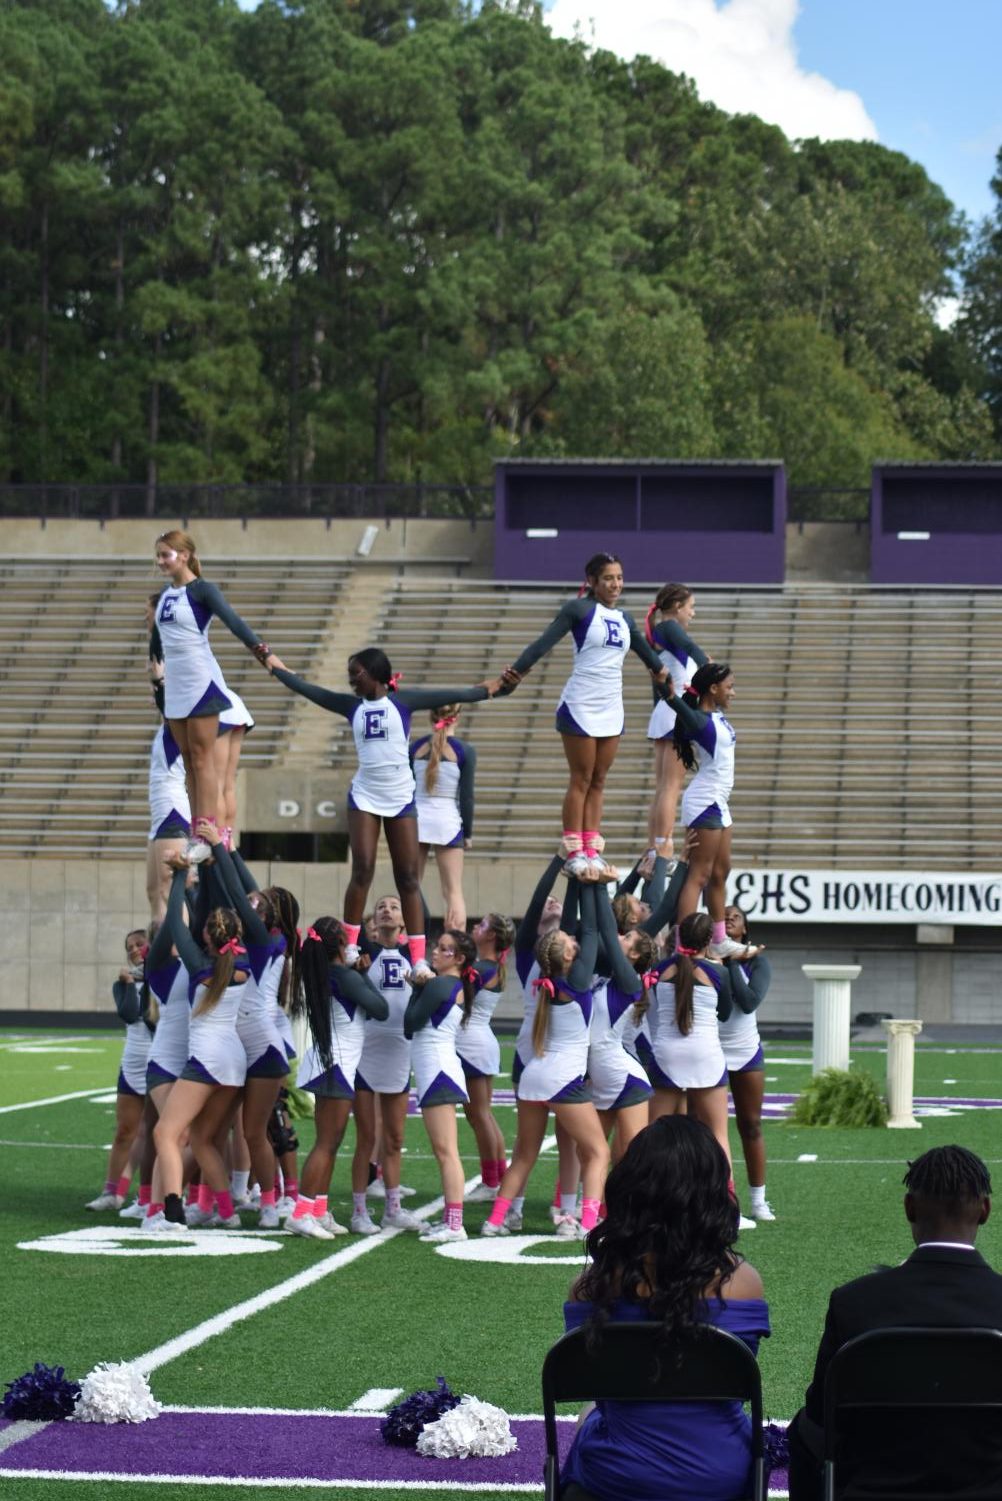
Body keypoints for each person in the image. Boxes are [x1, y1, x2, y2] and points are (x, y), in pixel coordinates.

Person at [260, 646, 505, 978]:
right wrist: (276, 668)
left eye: (356, 674)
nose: (351, 680)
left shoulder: (402, 702)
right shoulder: (352, 706)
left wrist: (490, 689)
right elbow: (309, 690)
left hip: (401, 798)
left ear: (376, 674)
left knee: (407, 877)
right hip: (364, 796)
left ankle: (418, 959)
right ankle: (349, 945)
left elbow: (456, 693)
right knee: (362, 868)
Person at [561, 1115, 769, 1501]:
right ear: (712, 1193)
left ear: (629, 1189)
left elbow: (591, 1382)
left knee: (590, 1410)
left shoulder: (589, 1287)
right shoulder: (743, 1283)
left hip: (615, 1478)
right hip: (721, 1474)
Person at [787, 1145, 1002, 1501]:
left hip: (872, 1490)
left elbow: (820, 1416)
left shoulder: (854, 1302)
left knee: (802, 1430)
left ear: (909, 1208)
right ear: (985, 1210)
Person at [503, 553, 668, 877]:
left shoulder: (625, 618)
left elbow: (651, 658)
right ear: (591, 582)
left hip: (611, 707)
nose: (616, 584)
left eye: (619, 577)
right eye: (608, 578)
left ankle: (592, 849)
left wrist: (679, 666)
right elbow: (543, 643)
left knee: (599, 780)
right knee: (581, 778)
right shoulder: (577, 609)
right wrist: (516, 673)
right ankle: (573, 849)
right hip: (580, 704)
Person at [482, 879, 610, 1241]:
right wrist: (591, 883)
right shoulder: (576, 982)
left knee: (524, 1155)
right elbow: (591, 927)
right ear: (569, 956)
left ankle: (495, 1220)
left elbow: (580, 929)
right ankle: (587, 1224)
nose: (575, 941)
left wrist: (576, 878)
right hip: (564, 1078)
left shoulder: (549, 983)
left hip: (534, 1076)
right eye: (570, 943)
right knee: (597, 1151)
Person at [153, 531, 271, 862]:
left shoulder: (202, 590)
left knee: (203, 760)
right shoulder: (165, 595)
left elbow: (234, 622)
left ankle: (209, 831)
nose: (161, 561)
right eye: (159, 555)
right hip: (176, 688)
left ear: (185, 555)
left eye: (167, 555)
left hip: (200, 683)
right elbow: (159, 642)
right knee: (188, 760)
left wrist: (264, 653)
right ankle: (196, 833)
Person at [152, 860, 249, 1228]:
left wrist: (180, 879)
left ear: (207, 937)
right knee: (206, 1140)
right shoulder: (246, 963)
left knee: (166, 1132)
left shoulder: (200, 966)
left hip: (206, 1060)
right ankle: (226, 1213)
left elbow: (177, 926)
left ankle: (172, 1212)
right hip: (235, 1063)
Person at [289, 917, 389, 1241]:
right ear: (341, 947)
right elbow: (381, 1008)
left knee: (329, 1143)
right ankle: (301, 1212)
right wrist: (361, 974)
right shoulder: (345, 977)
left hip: (332, 1061)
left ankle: (318, 1209)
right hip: (336, 1063)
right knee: (326, 1143)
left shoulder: (327, 973)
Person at [666, 661, 757, 960]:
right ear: (713, 689)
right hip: (705, 801)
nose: (734, 693)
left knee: (720, 871)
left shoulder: (715, 717)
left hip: (719, 801)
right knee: (699, 875)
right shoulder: (701, 721)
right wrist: (668, 695)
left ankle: (718, 940)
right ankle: (684, 943)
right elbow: (681, 709)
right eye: (729, 687)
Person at [350, 894, 424, 1233]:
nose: (387, 910)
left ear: (406, 920)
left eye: (395, 906)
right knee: (366, 1137)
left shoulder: (415, 956)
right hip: (367, 1048)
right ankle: (358, 1210)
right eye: (381, 906)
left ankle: (392, 1208)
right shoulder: (364, 952)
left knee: (393, 1138)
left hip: (399, 1048)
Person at [403, 928, 481, 1245]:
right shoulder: (448, 984)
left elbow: (410, 1025)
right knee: (444, 1151)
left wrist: (416, 988)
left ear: (459, 959)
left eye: (445, 950)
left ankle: (455, 1224)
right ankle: (451, 1219)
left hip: (437, 1070)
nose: (435, 952)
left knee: (446, 1152)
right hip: (437, 1069)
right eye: (437, 946)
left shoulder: (439, 985)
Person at [650, 912, 733, 1168]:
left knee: (653, 1135)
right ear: (709, 941)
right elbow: (726, 1013)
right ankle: (727, 1204)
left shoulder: (660, 969)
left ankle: (648, 1202)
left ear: (678, 935)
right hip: (705, 1054)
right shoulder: (719, 972)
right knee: (719, 1134)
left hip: (667, 1055)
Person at [642, 583, 709, 874]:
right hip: (676, 712)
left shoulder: (662, 632)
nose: (693, 613)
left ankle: (654, 846)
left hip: (667, 711)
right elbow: (694, 650)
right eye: (691, 607)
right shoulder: (669, 628)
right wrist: (713, 671)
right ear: (677, 607)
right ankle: (663, 845)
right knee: (670, 787)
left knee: (663, 788)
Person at [588, 884, 658, 1164]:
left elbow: (605, 929)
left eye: (627, 937)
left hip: (624, 1078)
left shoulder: (629, 981)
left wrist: (600, 883)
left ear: (634, 956)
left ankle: (637, 1208)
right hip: (602, 1073)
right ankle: (593, 1207)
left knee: (632, 1157)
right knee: (593, 1154)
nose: (620, 937)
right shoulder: (608, 979)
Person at [85, 930, 154, 1211]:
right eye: (129, 947)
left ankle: (159, 1195)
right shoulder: (121, 984)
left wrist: (144, 979)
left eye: (140, 943)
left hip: (163, 1061)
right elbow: (130, 1013)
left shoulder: (164, 977)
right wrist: (129, 983)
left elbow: (154, 1020)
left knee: (161, 1133)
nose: (135, 950)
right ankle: (112, 1193)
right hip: (133, 1061)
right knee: (125, 1130)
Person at [719, 905, 774, 1222]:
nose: (728, 919)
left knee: (750, 1125)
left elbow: (749, 1000)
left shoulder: (758, 962)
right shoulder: (706, 957)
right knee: (710, 1130)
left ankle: (758, 1200)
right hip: (710, 1049)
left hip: (745, 1050)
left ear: (745, 930)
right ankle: (717, 1199)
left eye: (735, 917)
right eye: (723, 916)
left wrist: (729, 958)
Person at [461, 912, 516, 1201]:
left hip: (471, 1043)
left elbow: (454, 995)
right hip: (479, 1041)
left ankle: (491, 1182)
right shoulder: (488, 965)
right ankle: (498, 1178)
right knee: (482, 1115)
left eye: (481, 925)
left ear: (492, 936)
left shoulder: (482, 967)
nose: (474, 927)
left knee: (479, 1115)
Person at [411, 706, 476, 931]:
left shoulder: (416, 747)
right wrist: (467, 833)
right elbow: (466, 797)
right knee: (453, 891)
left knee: (410, 886)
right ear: (456, 718)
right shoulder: (464, 750)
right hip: (447, 821)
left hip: (415, 820)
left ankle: (410, 943)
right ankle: (457, 948)